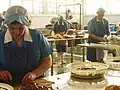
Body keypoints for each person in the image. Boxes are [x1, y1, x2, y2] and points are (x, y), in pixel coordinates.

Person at [0, 5, 52, 84]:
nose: (16, 32)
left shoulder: (37, 36)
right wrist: (0, 72)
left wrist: (34, 74)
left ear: (27, 24)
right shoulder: (0, 38)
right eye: (12, 28)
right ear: (7, 25)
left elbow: (47, 60)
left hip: (34, 83)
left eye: (20, 28)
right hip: (5, 84)